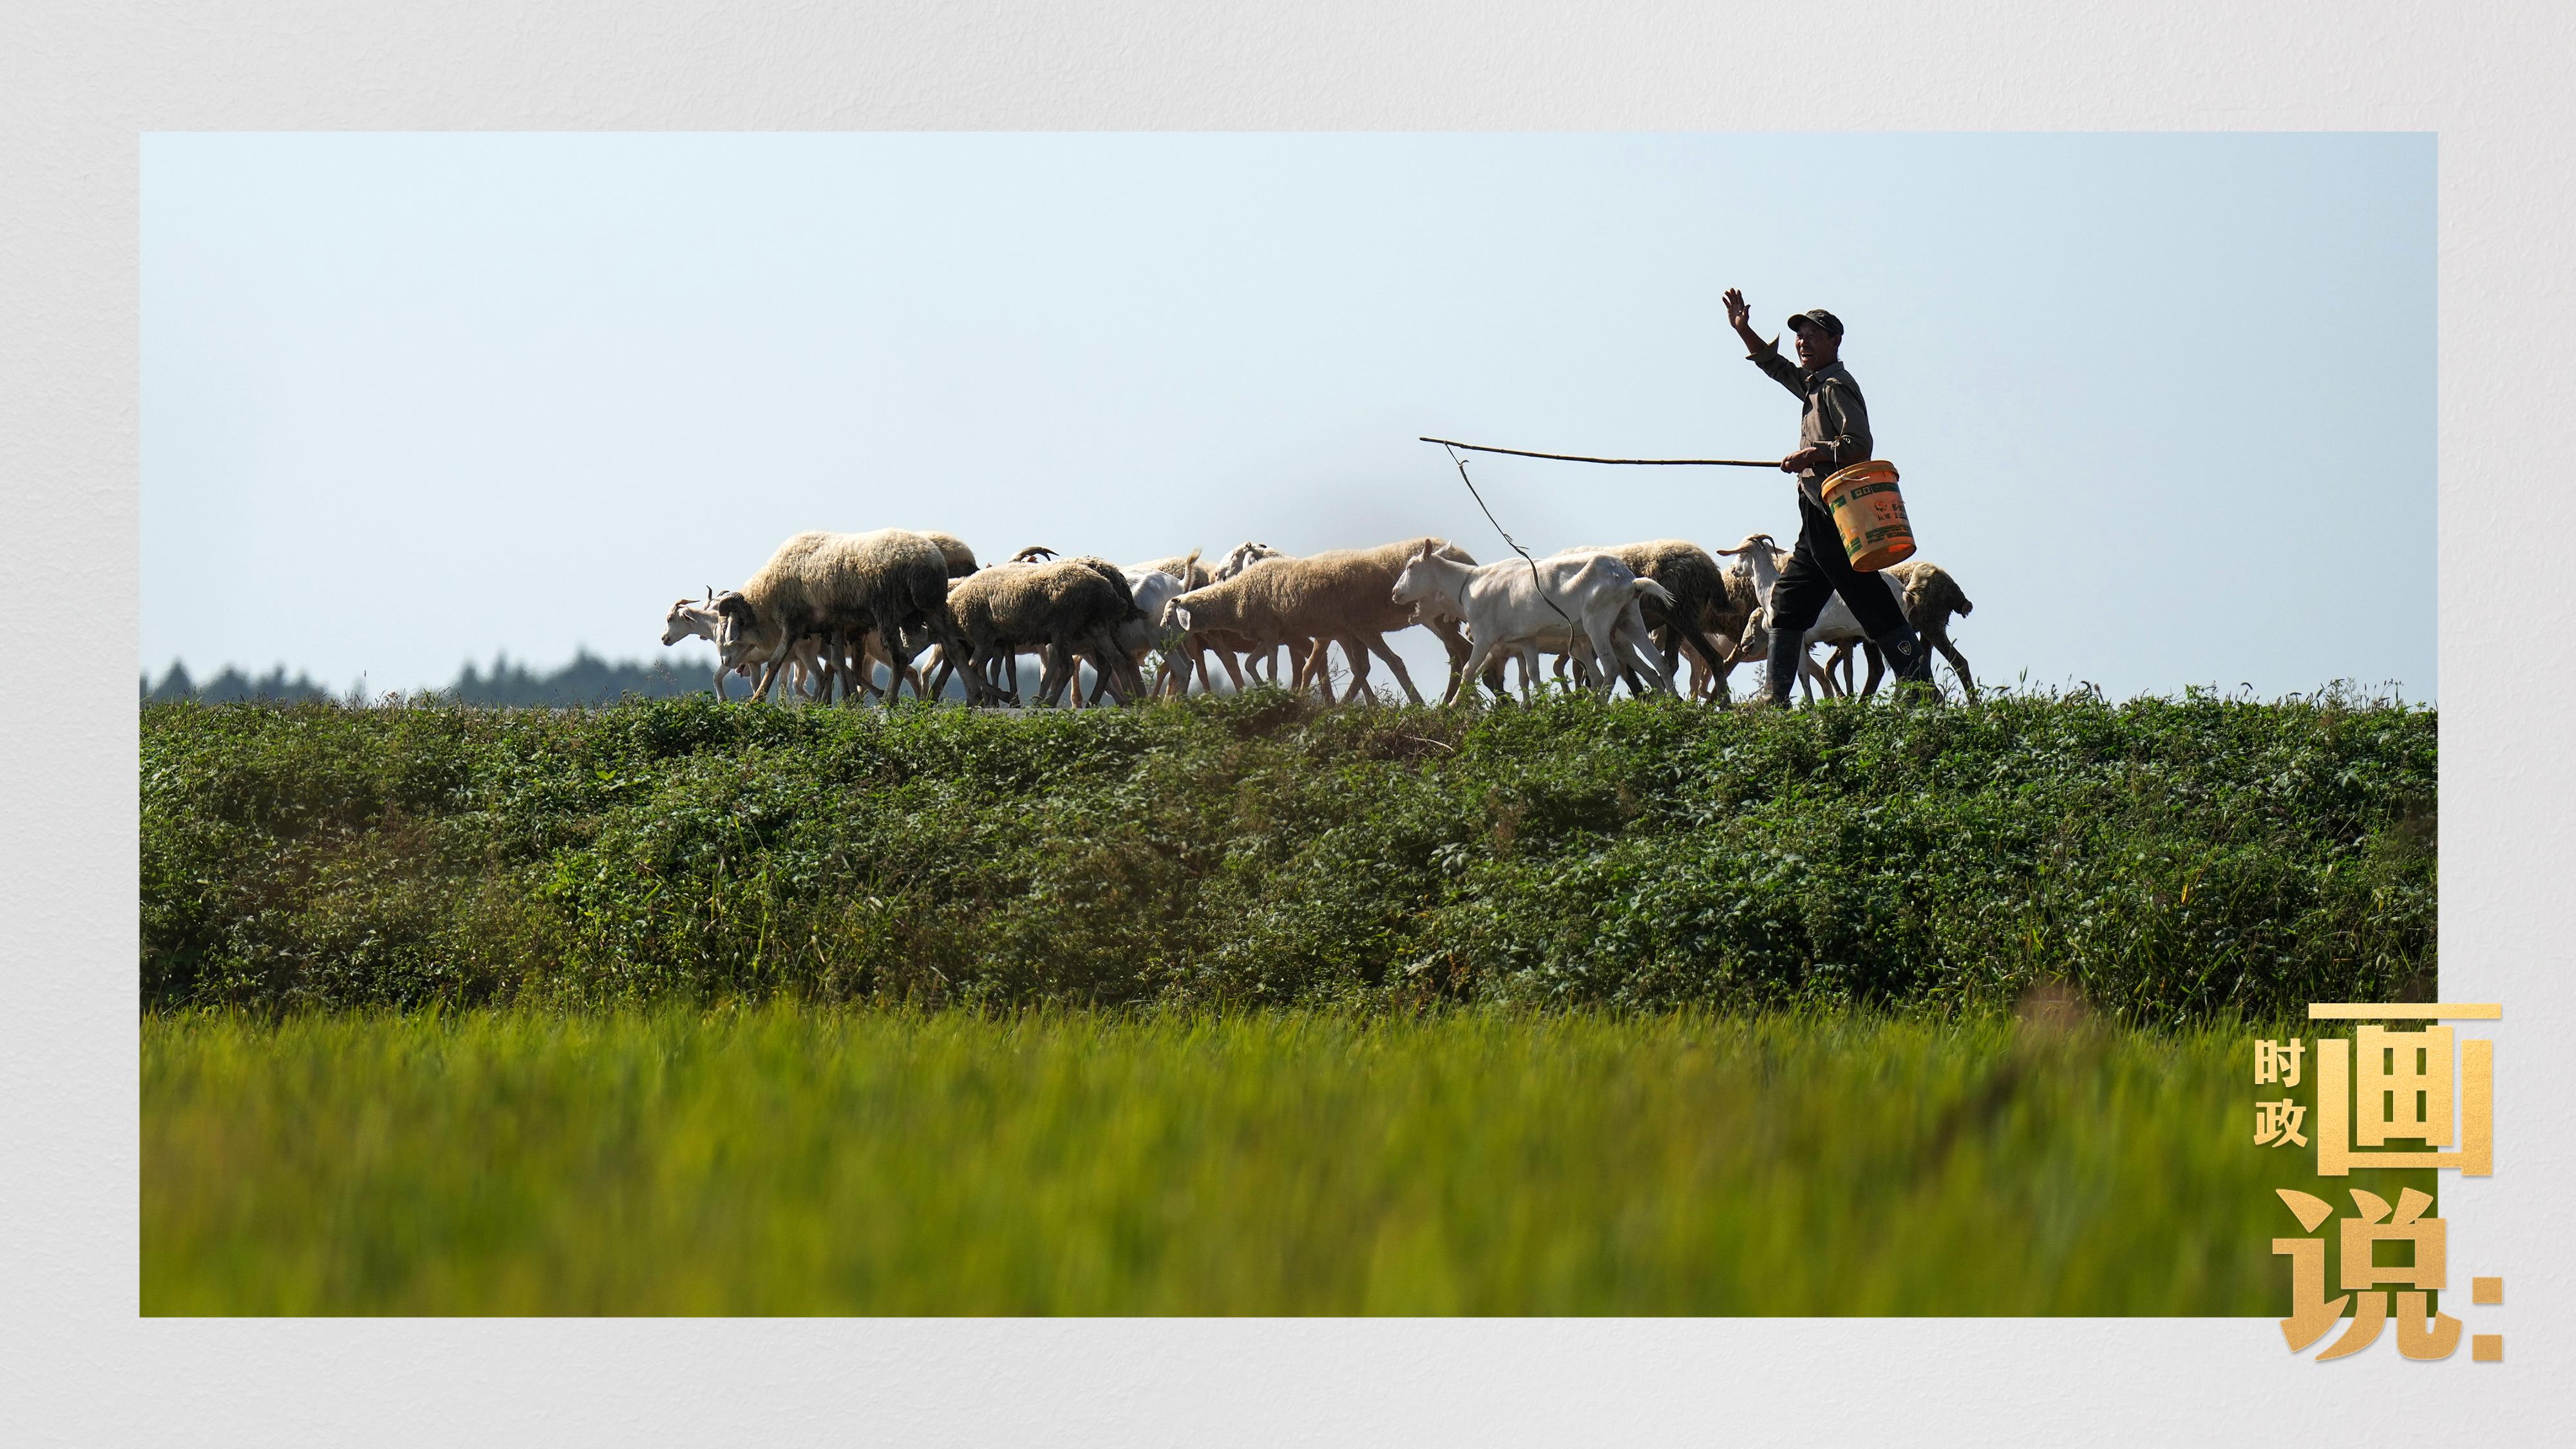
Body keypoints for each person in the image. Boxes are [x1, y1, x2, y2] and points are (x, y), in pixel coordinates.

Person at [1720, 288, 1935, 704]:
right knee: (1788, 602)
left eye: (1812, 335)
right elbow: (1776, 367)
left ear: (1835, 341)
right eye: (1799, 336)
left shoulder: (1836, 386)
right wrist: (1744, 331)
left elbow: (1859, 445)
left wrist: (1813, 453)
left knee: (1869, 601)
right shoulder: (1813, 384)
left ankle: (1919, 689)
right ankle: (1775, 697)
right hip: (1816, 512)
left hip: (1837, 514)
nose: (1802, 342)